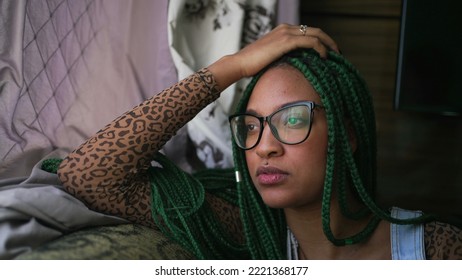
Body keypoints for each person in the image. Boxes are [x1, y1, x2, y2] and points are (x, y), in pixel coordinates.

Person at [56, 24, 462, 259]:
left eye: (293, 119)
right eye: (251, 126)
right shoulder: (246, 233)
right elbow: (87, 175)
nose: (265, 146)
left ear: (347, 136)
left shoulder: (436, 248)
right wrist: (230, 68)